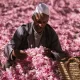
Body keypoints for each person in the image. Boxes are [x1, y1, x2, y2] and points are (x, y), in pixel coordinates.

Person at [3, 3, 68, 69]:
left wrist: (51, 54)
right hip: (23, 65)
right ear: (33, 18)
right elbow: (7, 48)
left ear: (47, 21)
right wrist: (14, 53)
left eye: (44, 22)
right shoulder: (23, 30)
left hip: (41, 68)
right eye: (38, 21)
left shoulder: (51, 33)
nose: (41, 25)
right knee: (8, 66)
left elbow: (61, 54)